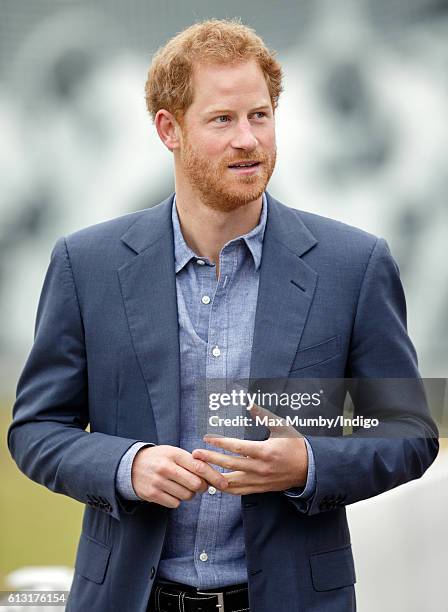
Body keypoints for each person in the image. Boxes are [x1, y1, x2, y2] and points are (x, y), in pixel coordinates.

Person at [7, 19, 439, 612]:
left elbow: (410, 434)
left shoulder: (353, 265)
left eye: (260, 116)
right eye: (222, 120)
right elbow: (35, 429)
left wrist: (307, 465)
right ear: (169, 129)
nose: (248, 140)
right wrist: (126, 466)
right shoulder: (87, 265)